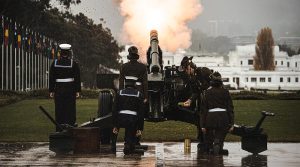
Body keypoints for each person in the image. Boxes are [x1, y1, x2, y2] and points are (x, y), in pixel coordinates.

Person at [200, 71, 234, 155]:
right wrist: (232, 123)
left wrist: (202, 125)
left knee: (210, 138)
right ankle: (218, 146)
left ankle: (213, 148)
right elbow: (230, 109)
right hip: (223, 119)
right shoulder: (226, 92)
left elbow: (203, 110)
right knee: (220, 137)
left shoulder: (207, 93)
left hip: (210, 119)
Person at [49, 43, 81, 131]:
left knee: (59, 109)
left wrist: (51, 90)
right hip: (70, 89)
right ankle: (70, 128)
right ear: (69, 53)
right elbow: (77, 78)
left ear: (60, 52)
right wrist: (77, 90)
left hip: (59, 89)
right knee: (70, 109)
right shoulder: (73, 63)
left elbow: (51, 78)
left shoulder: (55, 63)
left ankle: (59, 129)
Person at [112, 76, 144, 155]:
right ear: (134, 85)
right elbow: (141, 112)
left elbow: (114, 109)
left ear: (125, 84)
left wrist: (115, 125)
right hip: (132, 119)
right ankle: (128, 145)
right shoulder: (138, 94)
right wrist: (140, 128)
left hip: (120, 118)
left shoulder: (119, 93)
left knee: (115, 131)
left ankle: (113, 146)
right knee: (131, 131)